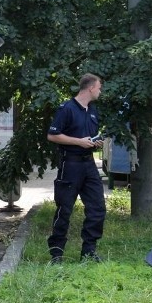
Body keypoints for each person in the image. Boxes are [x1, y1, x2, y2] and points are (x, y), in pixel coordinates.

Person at [46, 73, 106, 264]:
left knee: (97, 208)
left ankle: (88, 252)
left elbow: (88, 137)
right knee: (64, 209)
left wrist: (96, 143)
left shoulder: (93, 110)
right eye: (99, 87)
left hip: (89, 164)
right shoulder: (67, 108)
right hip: (70, 164)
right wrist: (78, 142)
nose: (100, 91)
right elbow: (52, 136)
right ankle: (56, 254)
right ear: (90, 88)